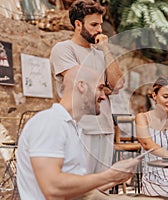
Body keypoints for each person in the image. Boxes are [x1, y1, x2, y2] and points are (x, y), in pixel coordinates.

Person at [16, 66, 168, 200]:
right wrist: (110, 175)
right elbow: (52, 189)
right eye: (100, 88)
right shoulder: (50, 121)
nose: (104, 96)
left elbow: (78, 187)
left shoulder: (72, 127)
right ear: (82, 86)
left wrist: (117, 177)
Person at [50, 0, 123, 174]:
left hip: (105, 128)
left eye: (100, 24)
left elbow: (118, 84)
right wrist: (104, 87)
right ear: (77, 24)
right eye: (94, 24)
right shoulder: (63, 49)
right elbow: (80, 84)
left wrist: (105, 49)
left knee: (100, 187)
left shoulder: (101, 54)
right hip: (80, 128)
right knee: (79, 185)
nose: (99, 30)